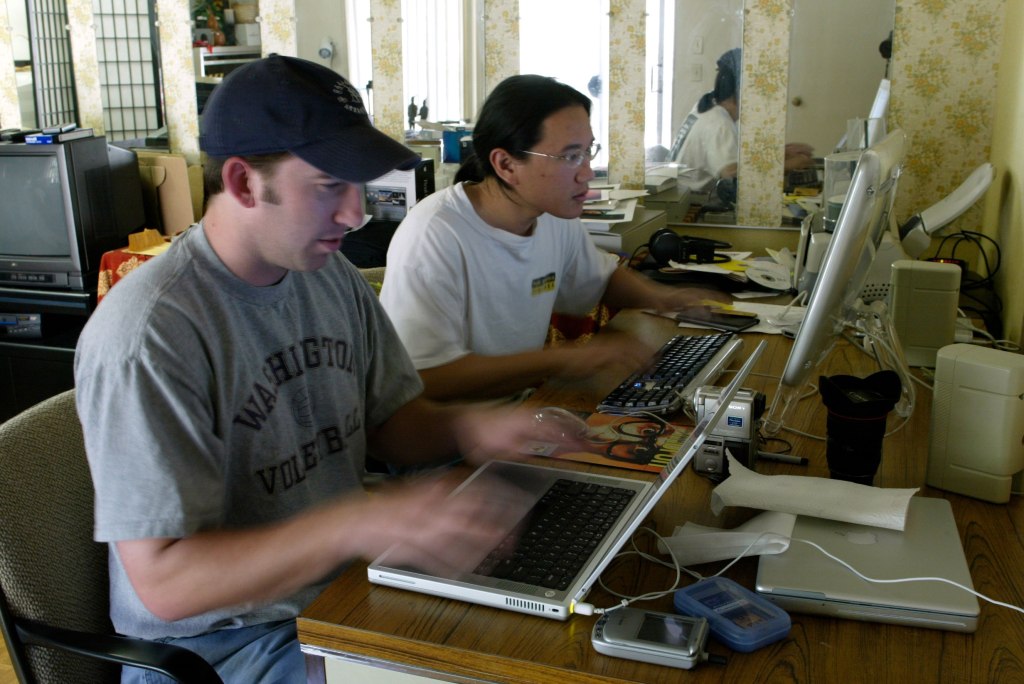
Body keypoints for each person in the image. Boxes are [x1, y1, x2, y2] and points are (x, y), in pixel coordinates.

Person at [74, 56, 550, 683]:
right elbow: (166, 583)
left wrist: (479, 429)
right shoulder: (150, 335)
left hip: (339, 592)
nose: (356, 215)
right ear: (244, 183)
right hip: (221, 649)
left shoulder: (328, 277)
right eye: (330, 186)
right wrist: (361, 520)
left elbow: (392, 423)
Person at [379, 74, 724, 403]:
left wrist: (667, 298)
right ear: (506, 164)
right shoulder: (435, 234)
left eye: (589, 152)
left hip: (523, 409)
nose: (587, 172)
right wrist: (563, 359)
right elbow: (426, 378)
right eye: (571, 156)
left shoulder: (552, 216)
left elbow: (599, 281)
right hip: (452, 439)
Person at [675, 48, 813, 192]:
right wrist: (789, 165)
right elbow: (733, 175)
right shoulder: (719, 124)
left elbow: (732, 157)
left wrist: (779, 154)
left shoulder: (707, 105)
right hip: (694, 204)